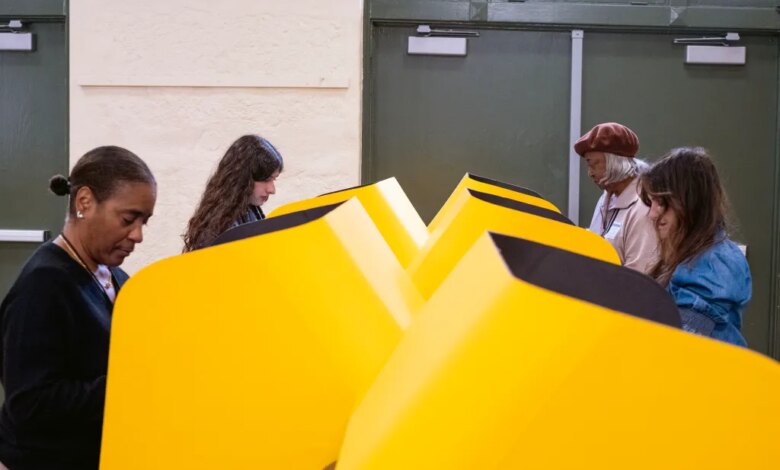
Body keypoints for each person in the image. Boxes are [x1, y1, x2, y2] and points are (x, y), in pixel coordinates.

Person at [0, 146, 156, 469]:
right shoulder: (43, 286)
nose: (138, 235)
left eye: (144, 221)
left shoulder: (114, 275)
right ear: (84, 202)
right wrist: (130, 383)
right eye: (128, 219)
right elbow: (30, 405)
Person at [640, 147, 750, 346]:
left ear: (688, 202)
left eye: (661, 202)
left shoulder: (715, 262)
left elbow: (681, 346)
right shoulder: (693, 255)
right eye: (651, 203)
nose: (653, 214)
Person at [575, 122, 658, 274]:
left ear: (615, 162)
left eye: (594, 164)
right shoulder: (606, 198)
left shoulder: (643, 207)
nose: (590, 173)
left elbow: (638, 277)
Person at [182, 134, 284, 252]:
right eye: (266, 180)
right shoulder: (221, 227)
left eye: (273, 179)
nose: (272, 189)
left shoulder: (249, 210)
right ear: (243, 179)